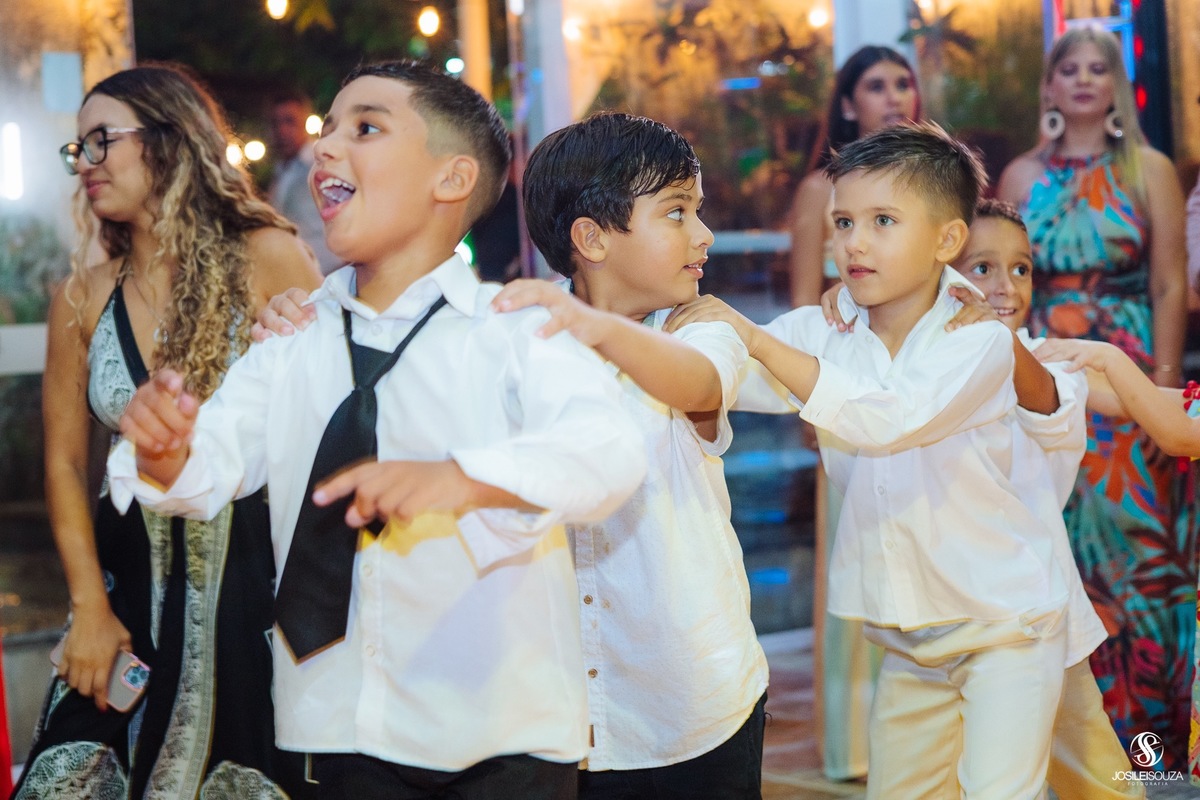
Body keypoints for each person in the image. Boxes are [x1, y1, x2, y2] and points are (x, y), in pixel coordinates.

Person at [106, 60, 646, 800]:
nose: (326, 147)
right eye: (325, 129)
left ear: (451, 179)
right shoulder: (289, 342)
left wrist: (461, 478)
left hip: (501, 731)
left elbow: (608, 450)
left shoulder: (514, 331)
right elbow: (208, 469)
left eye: (363, 128)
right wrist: (164, 450)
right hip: (337, 727)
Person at [668, 122, 1068, 798]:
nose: (854, 241)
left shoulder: (977, 343)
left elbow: (889, 418)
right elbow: (733, 370)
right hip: (908, 639)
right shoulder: (823, 329)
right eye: (844, 221)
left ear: (947, 240)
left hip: (1005, 628)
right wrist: (655, 333)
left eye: (883, 220)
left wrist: (755, 342)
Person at [14, 64, 322, 799]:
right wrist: (88, 606)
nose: (85, 164)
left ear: (169, 140)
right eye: (76, 149)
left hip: (248, 601)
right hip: (123, 600)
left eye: (102, 141)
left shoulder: (269, 253)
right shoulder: (83, 295)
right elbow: (61, 465)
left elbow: (322, 425)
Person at [489, 112, 769, 799]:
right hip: (557, 714)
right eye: (677, 212)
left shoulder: (704, 330)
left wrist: (598, 330)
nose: (702, 235)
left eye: (698, 212)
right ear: (591, 238)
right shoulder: (515, 339)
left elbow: (696, 384)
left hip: (694, 709)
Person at [996, 25, 1193, 768]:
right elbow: (1000, 280)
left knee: (1145, 552)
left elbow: (1171, 280)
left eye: (1097, 68)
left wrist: (1164, 383)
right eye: (1067, 68)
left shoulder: (1150, 168)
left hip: (1132, 369)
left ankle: (1157, 746)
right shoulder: (1017, 178)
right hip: (1049, 371)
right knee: (1065, 545)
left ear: (1117, 86)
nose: (1082, 79)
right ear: (1048, 88)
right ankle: (1079, 744)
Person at [948, 200, 1144, 799]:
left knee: (1101, 782)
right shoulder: (918, 367)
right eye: (982, 267)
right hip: (950, 616)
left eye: (1022, 268)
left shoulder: (1050, 360)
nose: (1006, 286)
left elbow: (1149, 403)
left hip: (1038, 616)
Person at [786, 45, 919, 782]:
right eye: (876, 85)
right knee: (858, 559)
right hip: (848, 388)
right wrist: (815, 399)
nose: (894, 95)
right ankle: (857, 744)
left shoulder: (932, 179)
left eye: (904, 82)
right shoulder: (821, 189)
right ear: (847, 104)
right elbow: (808, 301)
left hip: (933, 386)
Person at [269, 92, 341, 274]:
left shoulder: (322, 163)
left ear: (305, 123)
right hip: (294, 274)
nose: (282, 130)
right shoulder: (280, 170)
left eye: (290, 121)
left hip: (329, 274)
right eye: (276, 123)